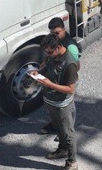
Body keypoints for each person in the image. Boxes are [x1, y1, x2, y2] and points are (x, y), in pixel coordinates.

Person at [31, 33, 79, 170]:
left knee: (68, 134)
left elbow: (70, 89)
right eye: (46, 52)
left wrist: (50, 84)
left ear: (58, 47)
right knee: (58, 128)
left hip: (62, 105)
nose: (48, 54)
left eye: (50, 51)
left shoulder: (70, 64)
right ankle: (62, 150)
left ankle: (72, 162)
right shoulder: (53, 55)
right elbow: (46, 66)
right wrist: (38, 71)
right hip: (51, 101)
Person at [40, 17, 81, 135]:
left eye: (57, 33)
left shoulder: (71, 47)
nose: (55, 36)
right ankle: (56, 126)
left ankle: (67, 129)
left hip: (67, 78)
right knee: (56, 108)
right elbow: (49, 57)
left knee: (67, 108)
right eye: (52, 33)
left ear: (64, 29)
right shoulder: (54, 42)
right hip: (56, 78)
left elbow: (75, 67)